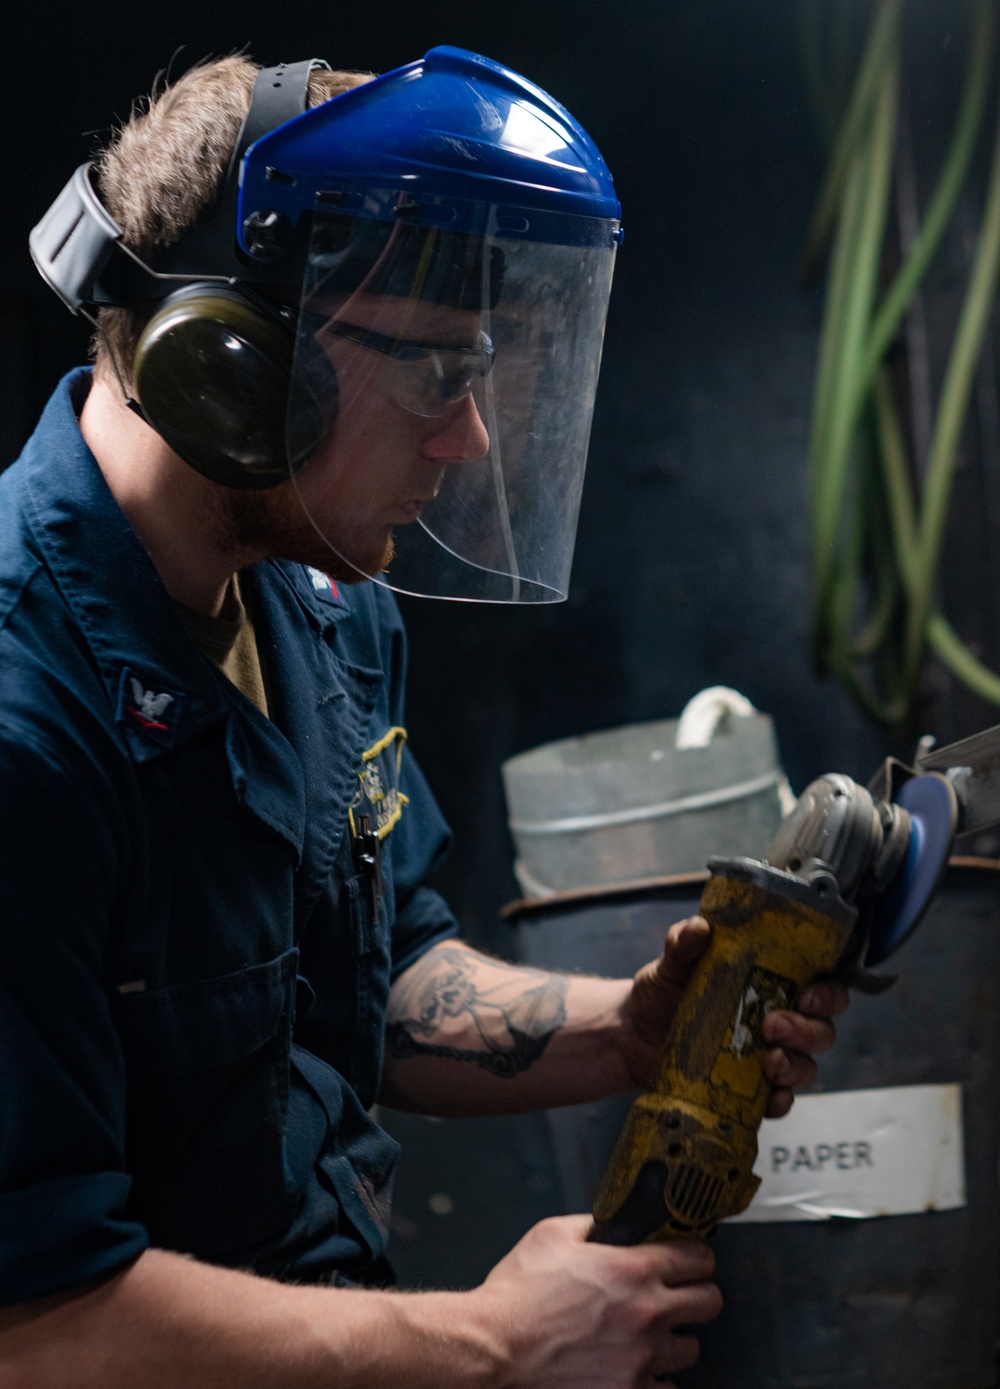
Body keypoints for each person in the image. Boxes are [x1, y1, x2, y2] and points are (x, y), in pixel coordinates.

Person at [0, 51, 847, 1387]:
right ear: (234, 367)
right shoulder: (23, 723)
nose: (465, 441)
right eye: (433, 374)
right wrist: (492, 1342)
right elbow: (35, 1324)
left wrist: (622, 1026)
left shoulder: (320, 600)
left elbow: (371, 982)